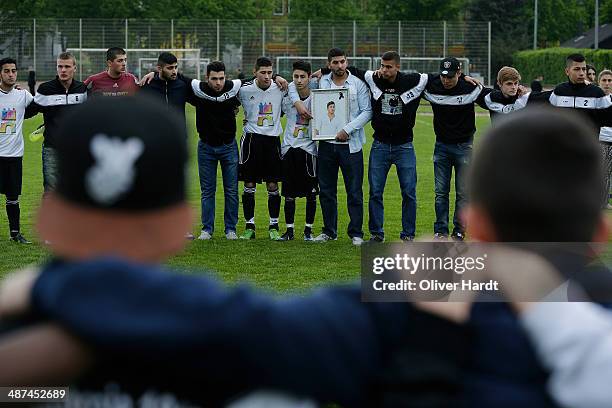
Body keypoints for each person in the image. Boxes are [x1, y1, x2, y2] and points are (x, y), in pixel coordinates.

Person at [2, 108, 611, 407]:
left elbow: (226, 325)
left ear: (470, 222)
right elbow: (554, 273)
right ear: (603, 230)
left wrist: (44, 286)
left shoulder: (407, 311)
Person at [290, 48, 372, 245]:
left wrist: (348, 129)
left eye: (342, 61)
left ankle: (356, 233)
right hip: (326, 144)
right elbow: (294, 84)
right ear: (329, 64)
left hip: (350, 145)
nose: (339, 66)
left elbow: (367, 111)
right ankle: (329, 231)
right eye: (335, 63)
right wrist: (296, 102)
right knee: (326, 190)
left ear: (347, 61)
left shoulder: (358, 84)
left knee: (354, 191)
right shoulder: (320, 81)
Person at [423, 57, 488, 241]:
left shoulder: (471, 88)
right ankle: (441, 231)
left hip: (464, 147)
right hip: (441, 146)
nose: (446, 80)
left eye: (451, 77)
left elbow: (494, 96)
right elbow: (416, 80)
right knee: (440, 192)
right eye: (443, 76)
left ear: (459, 74)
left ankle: (459, 231)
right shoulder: (433, 85)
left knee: (463, 193)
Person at [186, 61, 241, 240]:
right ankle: (207, 230)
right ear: (206, 78)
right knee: (207, 191)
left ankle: (230, 229)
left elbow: (256, 79)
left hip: (229, 147)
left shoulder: (233, 90)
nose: (218, 82)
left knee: (231, 190)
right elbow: (175, 78)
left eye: (221, 78)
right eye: (214, 79)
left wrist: (278, 77)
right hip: (206, 147)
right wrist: (153, 75)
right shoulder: (198, 92)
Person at [237, 57, 287, 240]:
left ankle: (273, 226)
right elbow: (229, 96)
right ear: (254, 72)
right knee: (249, 184)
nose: (267, 76)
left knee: (273, 184)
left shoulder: (280, 88)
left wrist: (280, 77)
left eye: (270, 72)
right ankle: (249, 226)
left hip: (272, 140)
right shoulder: (244, 90)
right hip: (251, 140)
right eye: (263, 72)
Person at [28, 52, 87, 192]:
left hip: (76, 149)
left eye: (67, 66)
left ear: (75, 68)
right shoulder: (45, 89)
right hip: (51, 149)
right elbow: (28, 111)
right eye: (60, 66)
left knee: (76, 191)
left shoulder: (83, 89)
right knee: (51, 191)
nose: (63, 70)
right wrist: (14, 94)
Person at [278, 60, 318, 241]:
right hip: (289, 149)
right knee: (288, 194)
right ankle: (289, 231)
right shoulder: (287, 96)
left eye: (303, 76)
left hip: (309, 151)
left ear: (309, 77)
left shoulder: (318, 97)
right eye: (296, 76)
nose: (299, 80)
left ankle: (308, 231)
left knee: (311, 193)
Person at [0, 58, 35, 243]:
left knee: (13, 198)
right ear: (0, 74)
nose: (11, 74)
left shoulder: (23, 96)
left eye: (13, 70)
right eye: (7, 71)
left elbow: (41, 107)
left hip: (14, 156)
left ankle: (15, 233)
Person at [548, 54, 612, 134]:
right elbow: (549, 119)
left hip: (587, 145)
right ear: (567, 71)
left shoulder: (597, 93)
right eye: (577, 69)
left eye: (584, 69)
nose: (582, 73)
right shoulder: (559, 91)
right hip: (561, 145)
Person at [481, 66, 550, 122]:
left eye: (516, 83)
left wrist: (525, 97)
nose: (513, 87)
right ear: (499, 84)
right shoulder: (492, 97)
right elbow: (474, 90)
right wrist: (469, 78)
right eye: (509, 84)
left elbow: (550, 95)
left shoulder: (524, 97)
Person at [598, 69, 612, 209]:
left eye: (609, 80)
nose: (607, 83)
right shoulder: (595, 99)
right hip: (599, 139)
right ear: (599, 82)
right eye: (604, 80)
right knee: (600, 171)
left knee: (606, 173)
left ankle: (604, 201)